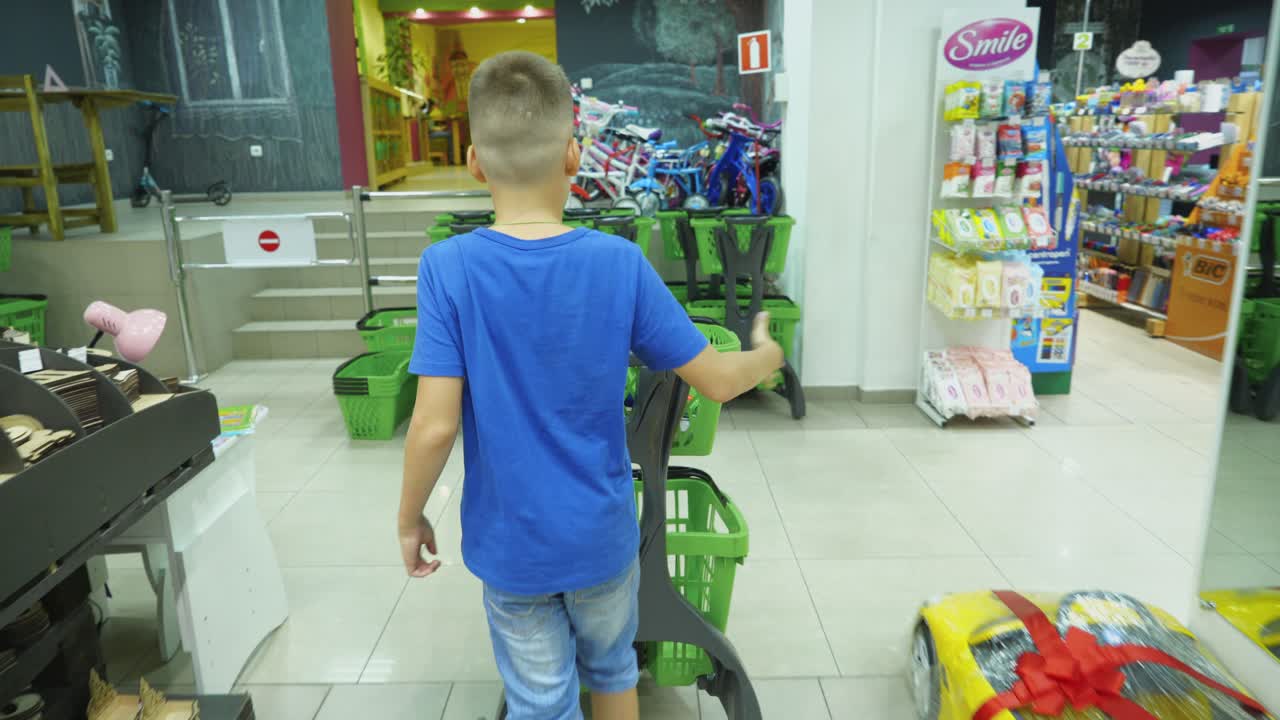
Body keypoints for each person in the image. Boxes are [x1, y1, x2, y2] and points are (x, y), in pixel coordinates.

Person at [398, 51, 784, 720]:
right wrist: (766, 355)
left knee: (540, 699)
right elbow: (716, 381)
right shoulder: (619, 263)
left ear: (474, 161)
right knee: (611, 670)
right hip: (602, 537)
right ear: (574, 156)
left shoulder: (448, 268)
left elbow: (434, 424)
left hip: (509, 543)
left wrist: (410, 517)